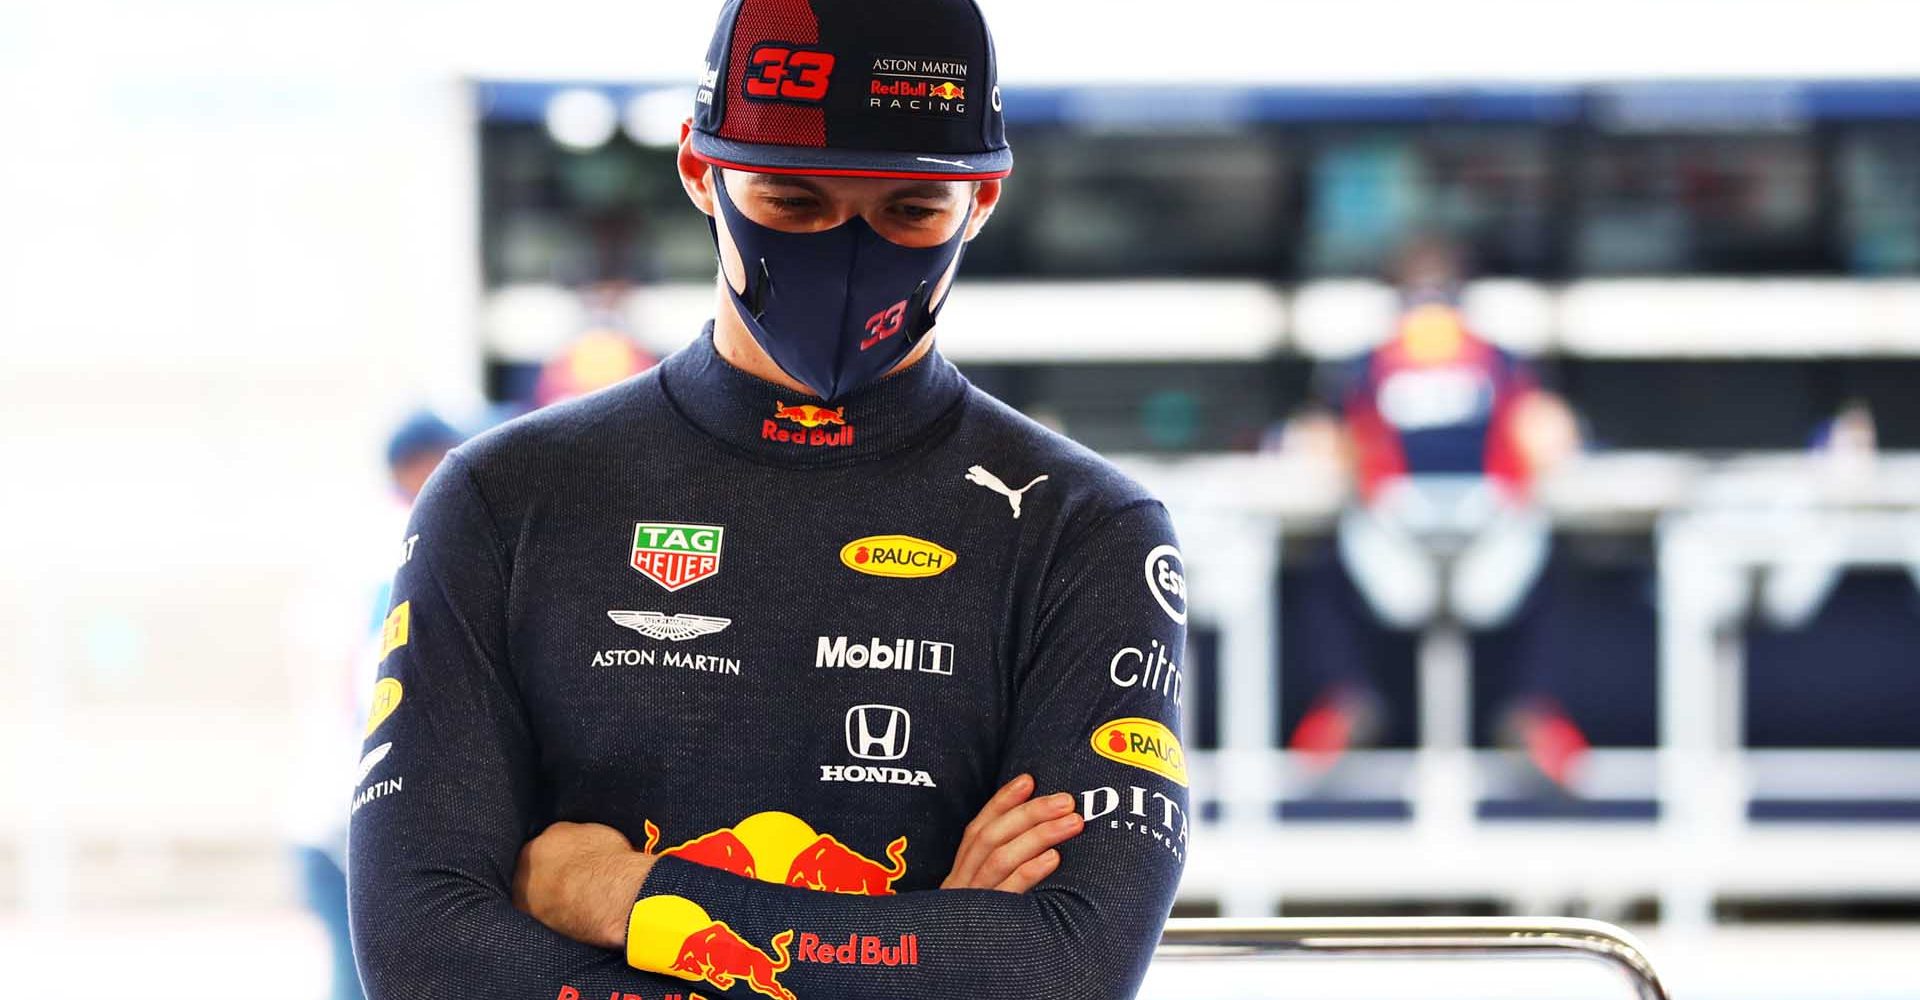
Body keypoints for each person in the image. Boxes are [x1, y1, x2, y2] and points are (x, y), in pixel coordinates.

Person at [348, 3, 1191, 1000]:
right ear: (700, 170)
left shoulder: (1083, 533)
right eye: (794, 202)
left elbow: (1062, 968)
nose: (849, 249)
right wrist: (924, 948)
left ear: (986, 196)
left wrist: (630, 895)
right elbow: (425, 957)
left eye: (908, 212)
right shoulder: (504, 501)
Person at [1284, 238, 1589, 786]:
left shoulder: (1497, 358)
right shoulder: (1366, 362)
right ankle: (1347, 703)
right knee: (1329, 558)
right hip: (1394, 531)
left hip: (1485, 529)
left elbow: (1547, 431)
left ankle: (1530, 711)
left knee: (1548, 556)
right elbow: (1321, 439)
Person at [285, 408, 463, 1000]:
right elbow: (369, 680)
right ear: (418, 466)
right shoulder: (408, 536)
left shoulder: (356, 539)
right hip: (360, 806)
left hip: (334, 804)